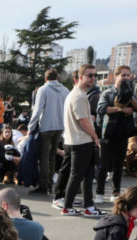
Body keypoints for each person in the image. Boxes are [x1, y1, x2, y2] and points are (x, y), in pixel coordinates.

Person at [57, 64, 103, 217]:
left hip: (76, 140)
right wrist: (95, 136)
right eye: (89, 75)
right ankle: (67, 206)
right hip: (80, 141)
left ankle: (89, 206)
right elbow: (83, 122)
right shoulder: (78, 95)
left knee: (88, 175)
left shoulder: (79, 94)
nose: (93, 78)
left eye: (94, 75)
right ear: (81, 77)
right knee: (77, 175)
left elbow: (83, 119)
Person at [96, 66, 137, 204]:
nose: (125, 78)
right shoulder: (108, 93)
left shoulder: (131, 93)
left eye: (128, 75)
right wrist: (121, 109)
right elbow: (101, 109)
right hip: (108, 133)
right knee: (103, 165)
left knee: (118, 166)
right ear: (115, 76)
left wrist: (131, 99)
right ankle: (99, 192)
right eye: (122, 75)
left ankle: (116, 192)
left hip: (123, 134)